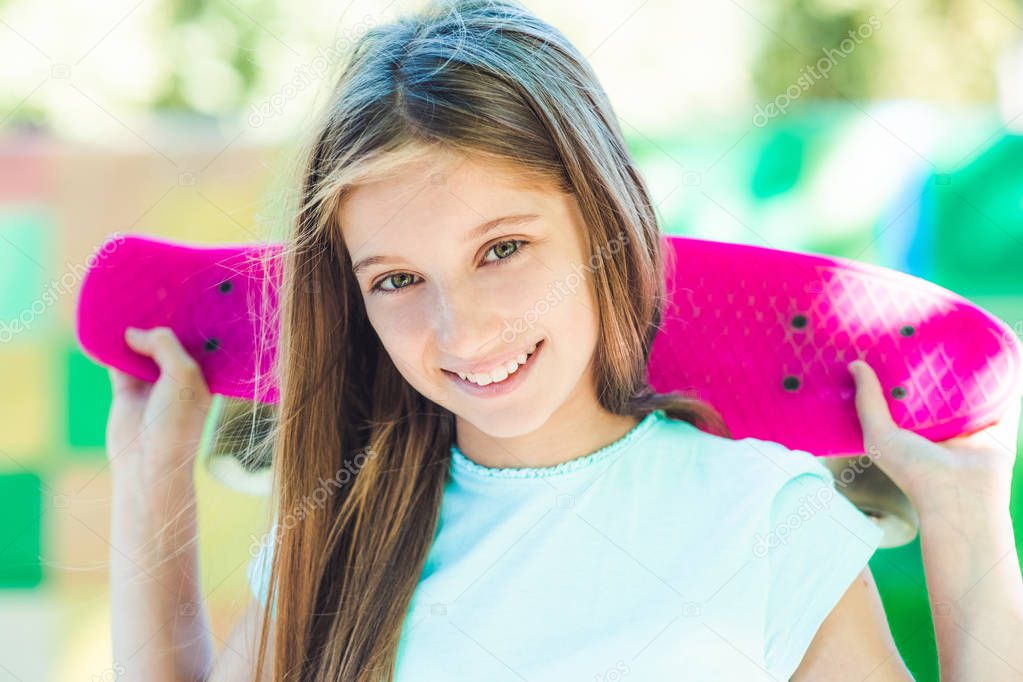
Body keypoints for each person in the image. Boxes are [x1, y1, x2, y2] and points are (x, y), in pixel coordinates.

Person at [104, 0, 1023, 680]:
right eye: (395, 280)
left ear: (603, 223)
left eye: (502, 249)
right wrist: (149, 482)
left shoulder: (762, 516)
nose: (459, 328)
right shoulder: (340, 529)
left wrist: (966, 522)